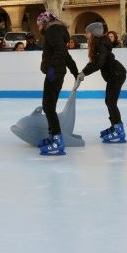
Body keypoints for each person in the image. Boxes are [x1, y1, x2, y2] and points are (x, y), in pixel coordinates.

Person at [36, 12, 80, 156]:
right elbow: (65, 54)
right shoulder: (56, 31)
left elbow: (60, 52)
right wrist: (75, 72)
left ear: (45, 23)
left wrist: (51, 68)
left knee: (49, 107)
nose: (38, 28)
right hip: (55, 72)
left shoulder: (52, 31)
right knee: (49, 106)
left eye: (39, 24)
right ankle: (52, 137)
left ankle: (57, 141)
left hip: (54, 73)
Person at [81, 22, 127, 144]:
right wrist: (83, 72)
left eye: (87, 32)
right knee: (109, 102)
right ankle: (115, 126)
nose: (85, 35)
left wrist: (84, 73)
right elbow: (95, 62)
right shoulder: (100, 44)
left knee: (111, 103)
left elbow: (98, 63)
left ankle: (119, 130)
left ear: (93, 33)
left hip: (116, 75)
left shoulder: (102, 44)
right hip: (114, 75)